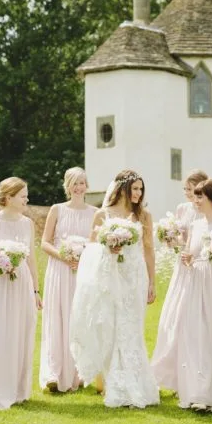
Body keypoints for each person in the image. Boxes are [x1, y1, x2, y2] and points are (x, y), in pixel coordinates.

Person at [151, 179, 212, 412]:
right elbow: (190, 254)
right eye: (194, 196)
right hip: (197, 285)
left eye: (200, 197)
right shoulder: (195, 226)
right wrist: (187, 258)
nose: (196, 201)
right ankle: (198, 394)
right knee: (197, 337)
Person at [70, 170, 160, 408]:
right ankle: (114, 383)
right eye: (135, 189)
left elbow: (149, 249)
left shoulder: (144, 216)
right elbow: (90, 248)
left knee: (132, 328)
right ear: (122, 188)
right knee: (113, 327)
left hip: (135, 276)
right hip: (111, 277)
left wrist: (152, 281)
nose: (139, 193)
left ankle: (137, 384)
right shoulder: (102, 214)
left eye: (141, 189)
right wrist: (108, 248)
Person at [0, 177, 42, 410]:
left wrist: (35, 290)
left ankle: (18, 390)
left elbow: (31, 258)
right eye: (23, 195)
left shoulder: (27, 224)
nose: (27, 199)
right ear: (9, 197)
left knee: (21, 331)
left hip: (21, 284)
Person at [39, 167, 96, 393]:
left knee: (80, 318)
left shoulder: (95, 212)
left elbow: (97, 244)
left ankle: (79, 372)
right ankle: (54, 372)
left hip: (83, 271)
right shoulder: (57, 209)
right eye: (74, 183)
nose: (78, 187)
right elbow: (44, 242)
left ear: (87, 185)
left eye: (82, 182)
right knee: (57, 317)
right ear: (67, 185)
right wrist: (64, 255)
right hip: (59, 269)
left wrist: (82, 257)